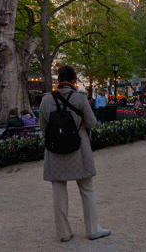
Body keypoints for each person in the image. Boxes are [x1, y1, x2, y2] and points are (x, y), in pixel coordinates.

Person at [39, 64, 111, 242]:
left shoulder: (46, 100)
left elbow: (43, 127)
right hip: (79, 147)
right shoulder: (79, 98)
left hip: (55, 148)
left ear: (58, 79)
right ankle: (93, 229)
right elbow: (92, 123)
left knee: (58, 190)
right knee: (87, 188)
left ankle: (63, 232)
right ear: (74, 80)